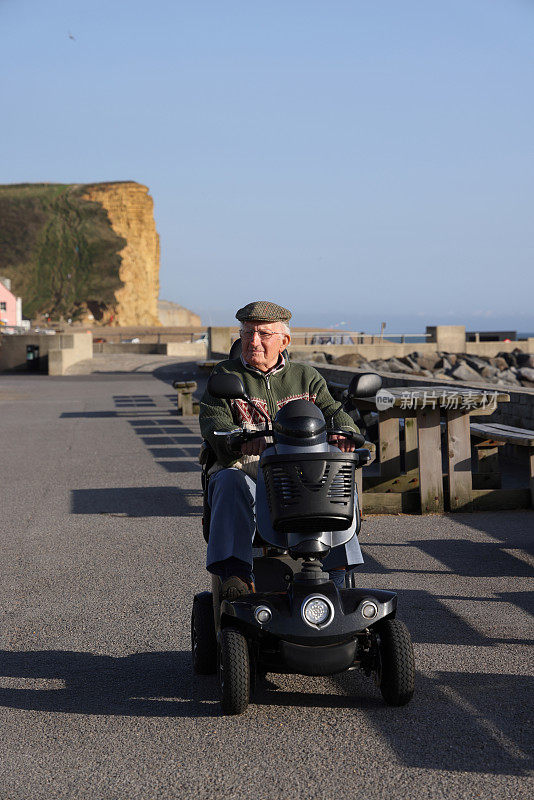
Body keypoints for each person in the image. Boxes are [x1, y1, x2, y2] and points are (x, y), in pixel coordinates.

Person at [199, 300, 364, 600]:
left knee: (341, 475)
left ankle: (339, 573)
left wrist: (348, 434)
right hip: (246, 467)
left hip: (297, 471)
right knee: (228, 481)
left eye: (263, 333)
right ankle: (235, 575)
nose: (253, 341)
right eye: (247, 333)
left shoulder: (306, 376)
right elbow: (213, 423)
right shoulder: (225, 375)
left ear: (284, 340)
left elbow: (333, 411)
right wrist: (236, 439)